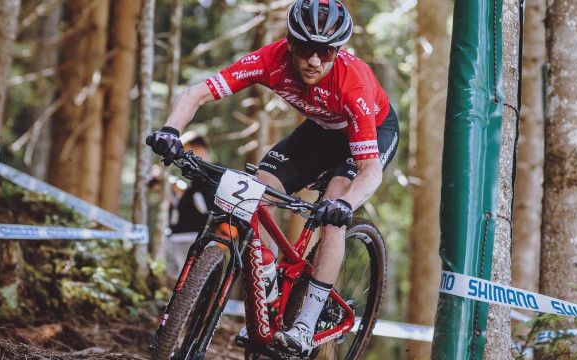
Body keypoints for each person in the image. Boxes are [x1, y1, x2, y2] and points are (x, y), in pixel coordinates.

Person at [146, 0, 399, 355]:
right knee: (263, 184)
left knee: (334, 208)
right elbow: (198, 92)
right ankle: (266, 289)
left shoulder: (351, 82)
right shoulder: (271, 60)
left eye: (326, 52)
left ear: (338, 51)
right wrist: (171, 131)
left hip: (368, 134)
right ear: (290, 41)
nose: (314, 60)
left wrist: (345, 204)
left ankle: (305, 323)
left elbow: (370, 169)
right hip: (321, 129)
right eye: (307, 48)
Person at [165, 132, 216, 278]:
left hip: (194, 237)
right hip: (183, 236)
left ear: (199, 149)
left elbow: (205, 207)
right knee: (185, 282)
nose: (186, 158)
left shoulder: (209, 175)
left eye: (189, 152)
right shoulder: (198, 178)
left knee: (191, 282)